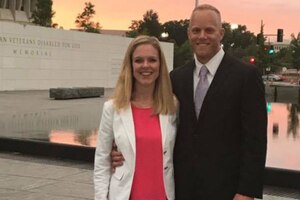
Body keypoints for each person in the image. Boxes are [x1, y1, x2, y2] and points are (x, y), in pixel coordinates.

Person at [112, 4, 267, 200]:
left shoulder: (245, 76)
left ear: (221, 33)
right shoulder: (176, 78)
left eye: (209, 30)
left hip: (227, 190)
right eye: (196, 30)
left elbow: (255, 140)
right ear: (188, 34)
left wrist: (246, 191)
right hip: (182, 189)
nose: (202, 36)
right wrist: (118, 150)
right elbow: (155, 125)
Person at [94, 35, 177, 200]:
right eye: (139, 60)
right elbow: (101, 162)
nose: (145, 65)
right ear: (130, 65)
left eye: (152, 60)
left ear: (160, 65)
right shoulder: (113, 108)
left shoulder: (172, 106)